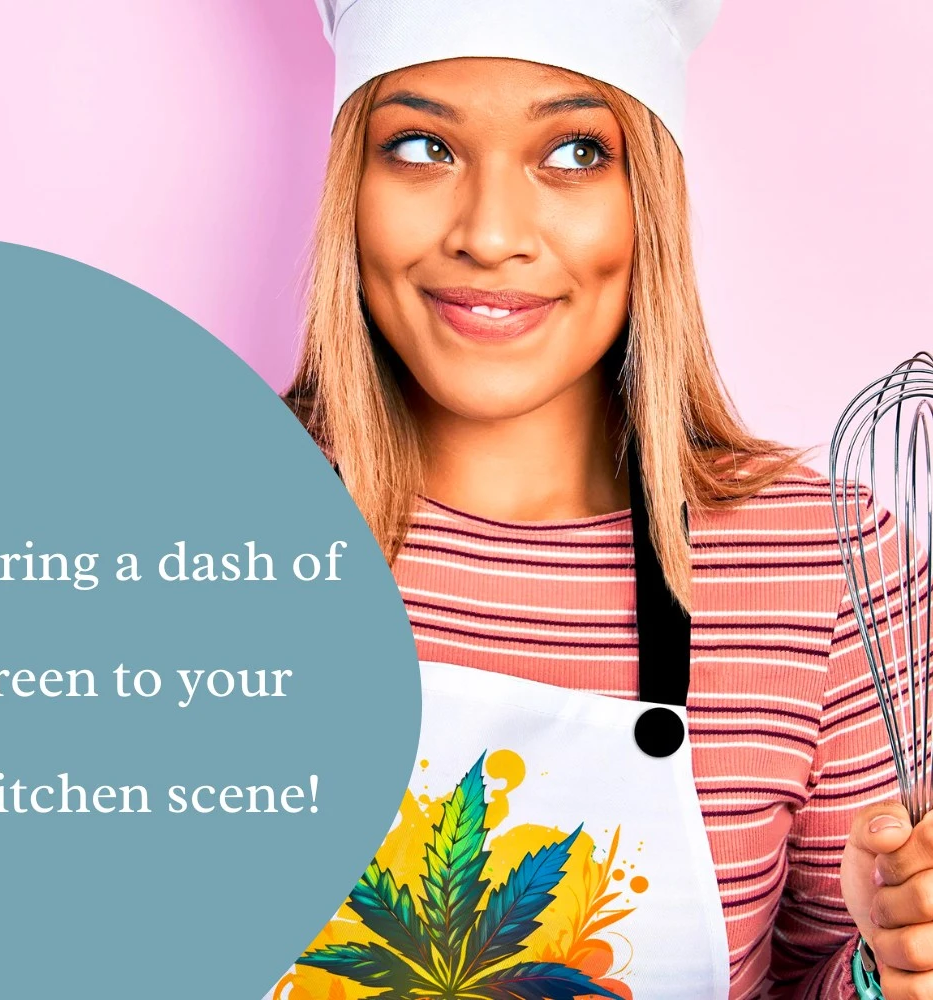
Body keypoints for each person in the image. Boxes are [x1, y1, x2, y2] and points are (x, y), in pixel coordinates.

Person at [280, 2, 933, 997]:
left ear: (648, 197)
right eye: (421, 145)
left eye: (575, 151)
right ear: (349, 186)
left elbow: (823, 975)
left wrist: (893, 964)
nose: (491, 234)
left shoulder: (823, 567)